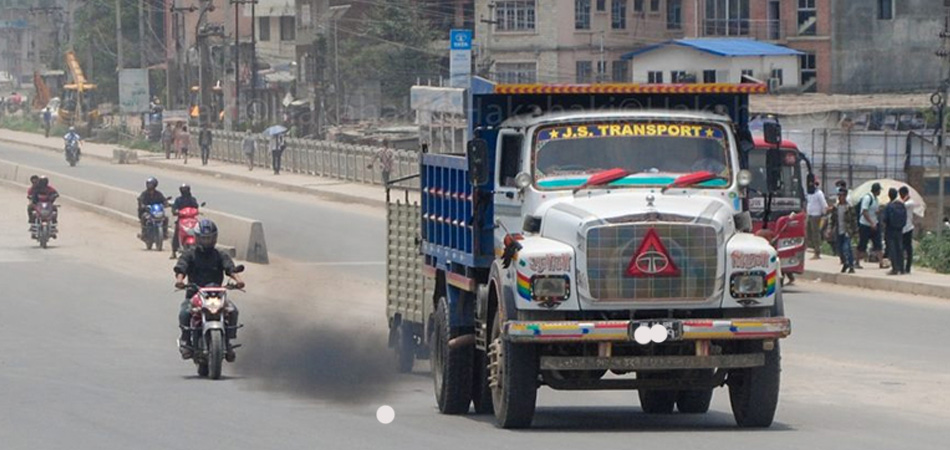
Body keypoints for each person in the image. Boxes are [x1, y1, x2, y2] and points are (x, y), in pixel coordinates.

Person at [173, 219, 243, 360]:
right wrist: (180, 280)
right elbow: (182, 266)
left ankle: (228, 342)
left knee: (233, 311)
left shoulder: (220, 254)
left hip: (217, 295)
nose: (207, 241)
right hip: (195, 295)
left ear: (215, 238)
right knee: (185, 312)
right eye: (204, 238)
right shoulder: (190, 253)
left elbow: (230, 268)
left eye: (209, 238)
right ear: (197, 238)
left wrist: (239, 280)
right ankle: (186, 341)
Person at [829, 187, 857, 273]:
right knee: (840, 249)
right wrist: (830, 229)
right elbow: (832, 219)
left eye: (842, 195)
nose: (840, 197)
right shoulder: (836, 207)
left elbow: (853, 220)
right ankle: (845, 263)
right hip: (838, 230)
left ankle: (851, 265)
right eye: (839, 195)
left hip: (847, 231)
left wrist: (854, 231)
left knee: (847, 248)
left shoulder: (849, 207)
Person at [856, 182, 883, 269]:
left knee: (878, 243)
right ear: (876, 190)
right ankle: (856, 262)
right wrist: (871, 223)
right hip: (865, 225)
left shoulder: (876, 199)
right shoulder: (867, 198)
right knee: (862, 244)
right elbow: (864, 211)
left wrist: (878, 212)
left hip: (874, 224)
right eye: (879, 190)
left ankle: (881, 263)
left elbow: (873, 210)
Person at [170, 184, 200, 260]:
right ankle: (174, 251)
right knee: (176, 232)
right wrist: (175, 211)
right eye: (183, 190)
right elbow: (174, 208)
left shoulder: (192, 199)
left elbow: (196, 207)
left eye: (185, 190)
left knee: (199, 230)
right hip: (181, 219)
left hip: (191, 219)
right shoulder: (178, 200)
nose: (184, 192)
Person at [882, 188, 907, 275]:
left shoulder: (888, 206)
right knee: (899, 248)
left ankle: (895, 268)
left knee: (892, 249)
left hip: (890, 230)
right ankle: (902, 268)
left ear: (889, 195)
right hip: (899, 230)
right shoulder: (901, 205)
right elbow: (905, 218)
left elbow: (885, 219)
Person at [805, 175, 828, 260]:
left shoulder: (819, 193)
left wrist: (823, 213)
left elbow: (824, 205)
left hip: (816, 215)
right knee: (808, 233)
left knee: (815, 234)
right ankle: (813, 247)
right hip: (810, 215)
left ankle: (817, 252)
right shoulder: (809, 193)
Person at [899, 186, 916, 274]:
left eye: (901, 195)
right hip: (902, 228)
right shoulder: (904, 202)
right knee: (901, 248)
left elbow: (901, 205)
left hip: (908, 228)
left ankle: (907, 267)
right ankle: (901, 267)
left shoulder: (910, 203)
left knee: (908, 249)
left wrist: (904, 199)